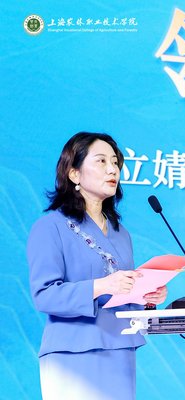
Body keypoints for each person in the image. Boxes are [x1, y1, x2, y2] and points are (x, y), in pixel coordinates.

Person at [27, 132, 168, 399]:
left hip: (120, 349)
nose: (112, 169)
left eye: (115, 162)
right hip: (72, 353)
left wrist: (148, 298)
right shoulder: (50, 227)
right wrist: (101, 286)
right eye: (101, 161)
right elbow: (45, 295)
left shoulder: (121, 233)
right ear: (74, 174)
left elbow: (124, 295)